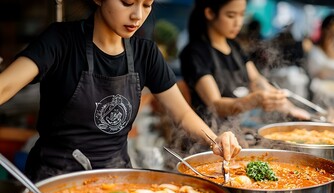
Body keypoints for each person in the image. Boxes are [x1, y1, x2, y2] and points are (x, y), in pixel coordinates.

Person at [0, 0, 241, 182]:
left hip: (116, 179)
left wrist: (215, 140)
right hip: (54, 180)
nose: (137, 15)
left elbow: (182, 114)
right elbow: (6, 87)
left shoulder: (145, 53)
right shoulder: (60, 41)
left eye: (147, 5)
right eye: (127, 2)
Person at [179, 0, 310, 129]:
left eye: (242, 14)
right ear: (210, 13)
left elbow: (257, 80)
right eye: (231, 15)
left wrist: (289, 108)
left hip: (237, 128)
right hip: (209, 134)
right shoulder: (195, 53)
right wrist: (251, 101)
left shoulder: (235, 47)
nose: (238, 23)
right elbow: (215, 104)